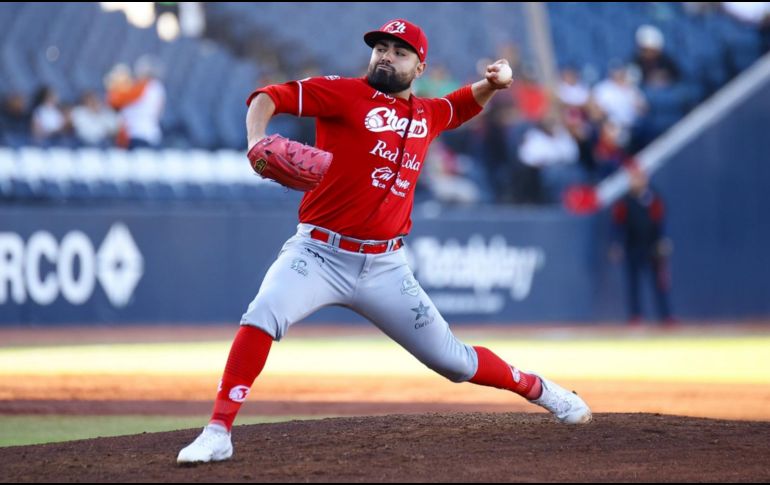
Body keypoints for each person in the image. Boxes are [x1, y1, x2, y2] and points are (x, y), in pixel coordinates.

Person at [177, 18, 592, 465]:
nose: (385, 55)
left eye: (398, 51)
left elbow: (459, 106)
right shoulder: (342, 92)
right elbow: (267, 96)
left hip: (385, 268)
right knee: (262, 314)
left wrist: (493, 84)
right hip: (317, 253)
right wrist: (256, 138)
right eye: (380, 48)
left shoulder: (426, 114)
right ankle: (218, 431)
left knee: (454, 362)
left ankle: (541, 389)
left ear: (419, 67)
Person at [610, 166, 674, 324]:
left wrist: (662, 240)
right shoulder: (624, 201)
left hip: (653, 246)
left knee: (659, 284)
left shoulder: (654, 197)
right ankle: (635, 316)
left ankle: (665, 316)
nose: (635, 181)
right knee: (633, 284)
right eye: (633, 178)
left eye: (638, 178)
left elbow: (660, 221)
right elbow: (618, 224)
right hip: (633, 245)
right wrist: (617, 244)